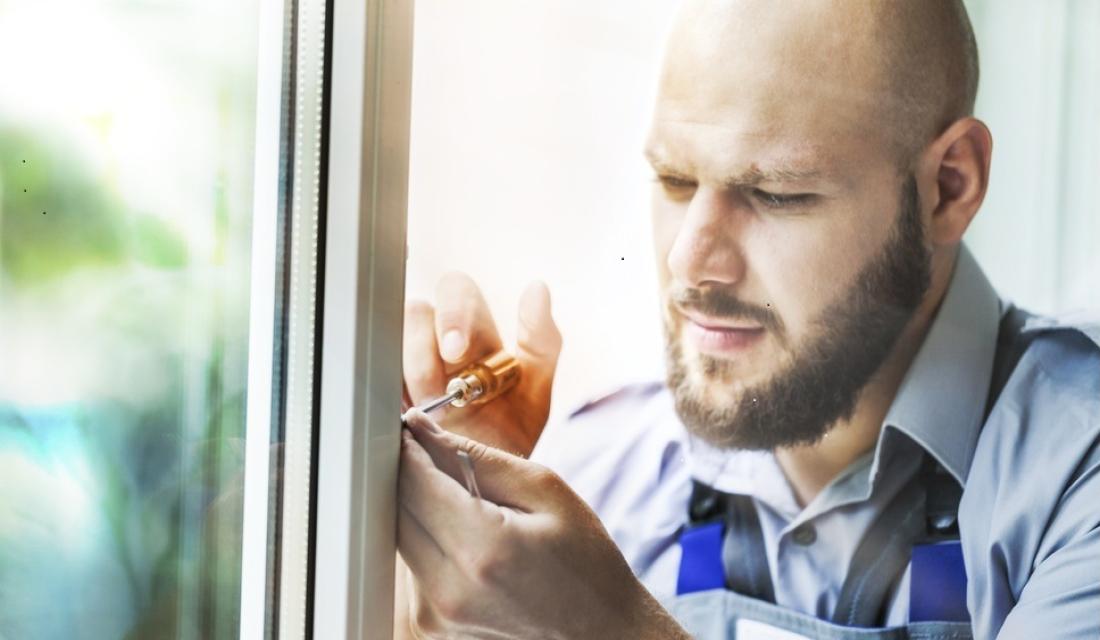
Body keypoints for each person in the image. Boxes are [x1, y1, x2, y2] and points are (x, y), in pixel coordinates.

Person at [395, 1, 1100, 638]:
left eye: (775, 193)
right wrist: (429, 569)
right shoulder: (598, 473)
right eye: (674, 181)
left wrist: (610, 630)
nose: (689, 261)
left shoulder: (1076, 480)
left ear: (950, 186)